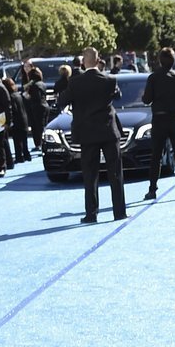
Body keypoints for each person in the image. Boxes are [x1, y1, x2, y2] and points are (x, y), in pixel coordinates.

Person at [59, 46, 127, 224]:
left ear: (83, 62)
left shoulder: (75, 83)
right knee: (115, 173)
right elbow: (118, 96)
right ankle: (119, 212)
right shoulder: (109, 80)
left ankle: (91, 214)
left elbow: (61, 101)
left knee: (90, 175)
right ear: (98, 61)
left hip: (87, 133)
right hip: (108, 131)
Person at [142, 47, 175, 201]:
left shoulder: (153, 78)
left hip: (159, 119)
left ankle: (152, 189)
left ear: (159, 60)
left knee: (156, 155)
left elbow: (147, 99)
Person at [2, 77, 32, 163]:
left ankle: (19, 157)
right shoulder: (18, 95)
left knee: (17, 140)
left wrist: (9, 120)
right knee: (24, 139)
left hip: (16, 120)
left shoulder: (10, 97)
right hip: (24, 118)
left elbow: (13, 109)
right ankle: (27, 155)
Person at [23, 66, 49, 150]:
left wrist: (27, 96)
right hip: (45, 105)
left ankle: (39, 144)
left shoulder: (34, 85)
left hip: (36, 107)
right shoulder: (42, 84)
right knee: (43, 125)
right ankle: (44, 142)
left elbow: (34, 97)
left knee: (36, 126)